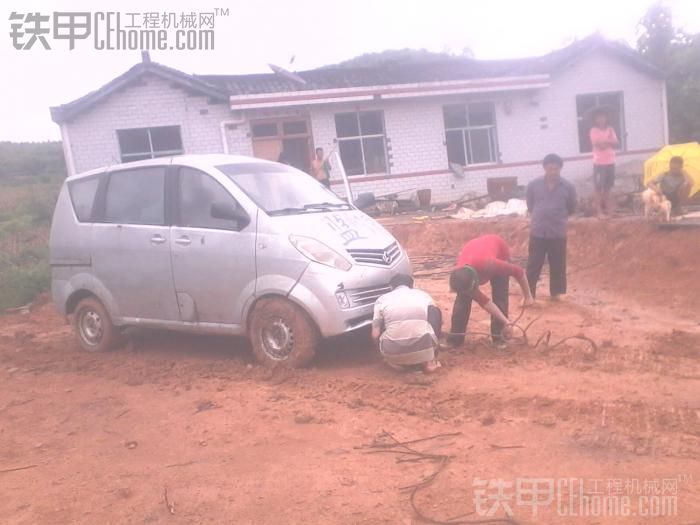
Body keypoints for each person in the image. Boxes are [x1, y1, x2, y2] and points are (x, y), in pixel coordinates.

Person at [447, 235, 533, 349]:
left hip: (498, 250)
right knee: (462, 300)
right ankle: (455, 340)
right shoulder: (460, 275)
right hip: (474, 249)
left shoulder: (493, 264)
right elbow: (485, 302)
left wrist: (528, 296)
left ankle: (499, 337)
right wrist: (506, 320)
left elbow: (519, 272)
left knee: (500, 296)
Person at [526, 153, 577, 301]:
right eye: (550, 169)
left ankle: (557, 293)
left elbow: (571, 206)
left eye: (556, 169)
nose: (553, 172)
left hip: (557, 232)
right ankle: (529, 294)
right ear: (545, 168)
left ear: (560, 169)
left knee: (558, 264)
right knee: (534, 264)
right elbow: (530, 204)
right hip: (538, 231)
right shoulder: (533, 185)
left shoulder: (568, 187)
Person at [372, 274, 442, 373]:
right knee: (434, 312)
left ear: (391, 287)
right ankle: (430, 361)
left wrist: (383, 352)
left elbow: (375, 334)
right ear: (411, 286)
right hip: (424, 347)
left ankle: (395, 362)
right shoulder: (423, 295)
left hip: (393, 352)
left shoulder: (381, 300)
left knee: (385, 323)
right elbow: (436, 318)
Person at [589, 107, 619, 217]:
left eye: (603, 117)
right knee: (598, 188)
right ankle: (599, 212)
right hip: (599, 162)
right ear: (595, 119)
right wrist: (608, 142)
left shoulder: (610, 129)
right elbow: (597, 144)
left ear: (606, 118)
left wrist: (606, 142)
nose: (601, 119)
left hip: (610, 161)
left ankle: (609, 210)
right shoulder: (593, 130)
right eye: (599, 117)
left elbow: (616, 142)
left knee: (608, 187)